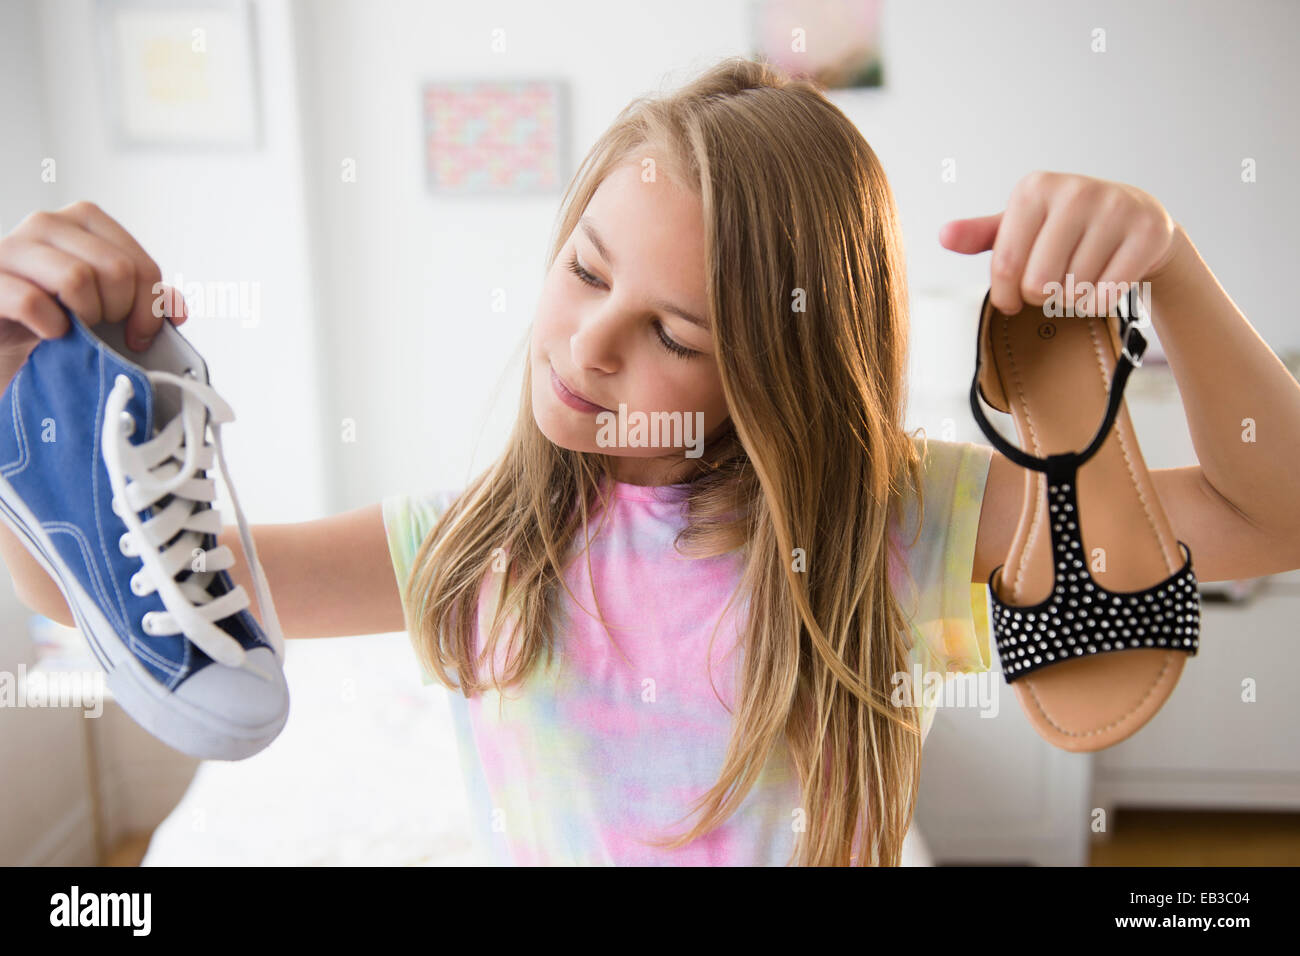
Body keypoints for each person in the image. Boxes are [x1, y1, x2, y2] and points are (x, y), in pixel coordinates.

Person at [2, 56, 1297, 866]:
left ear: (774, 373)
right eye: (583, 271)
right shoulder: (468, 547)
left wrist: (1169, 266)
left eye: (673, 333)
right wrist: (25, 393)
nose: (588, 343)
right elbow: (88, 592)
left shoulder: (897, 528)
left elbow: (1273, 512)